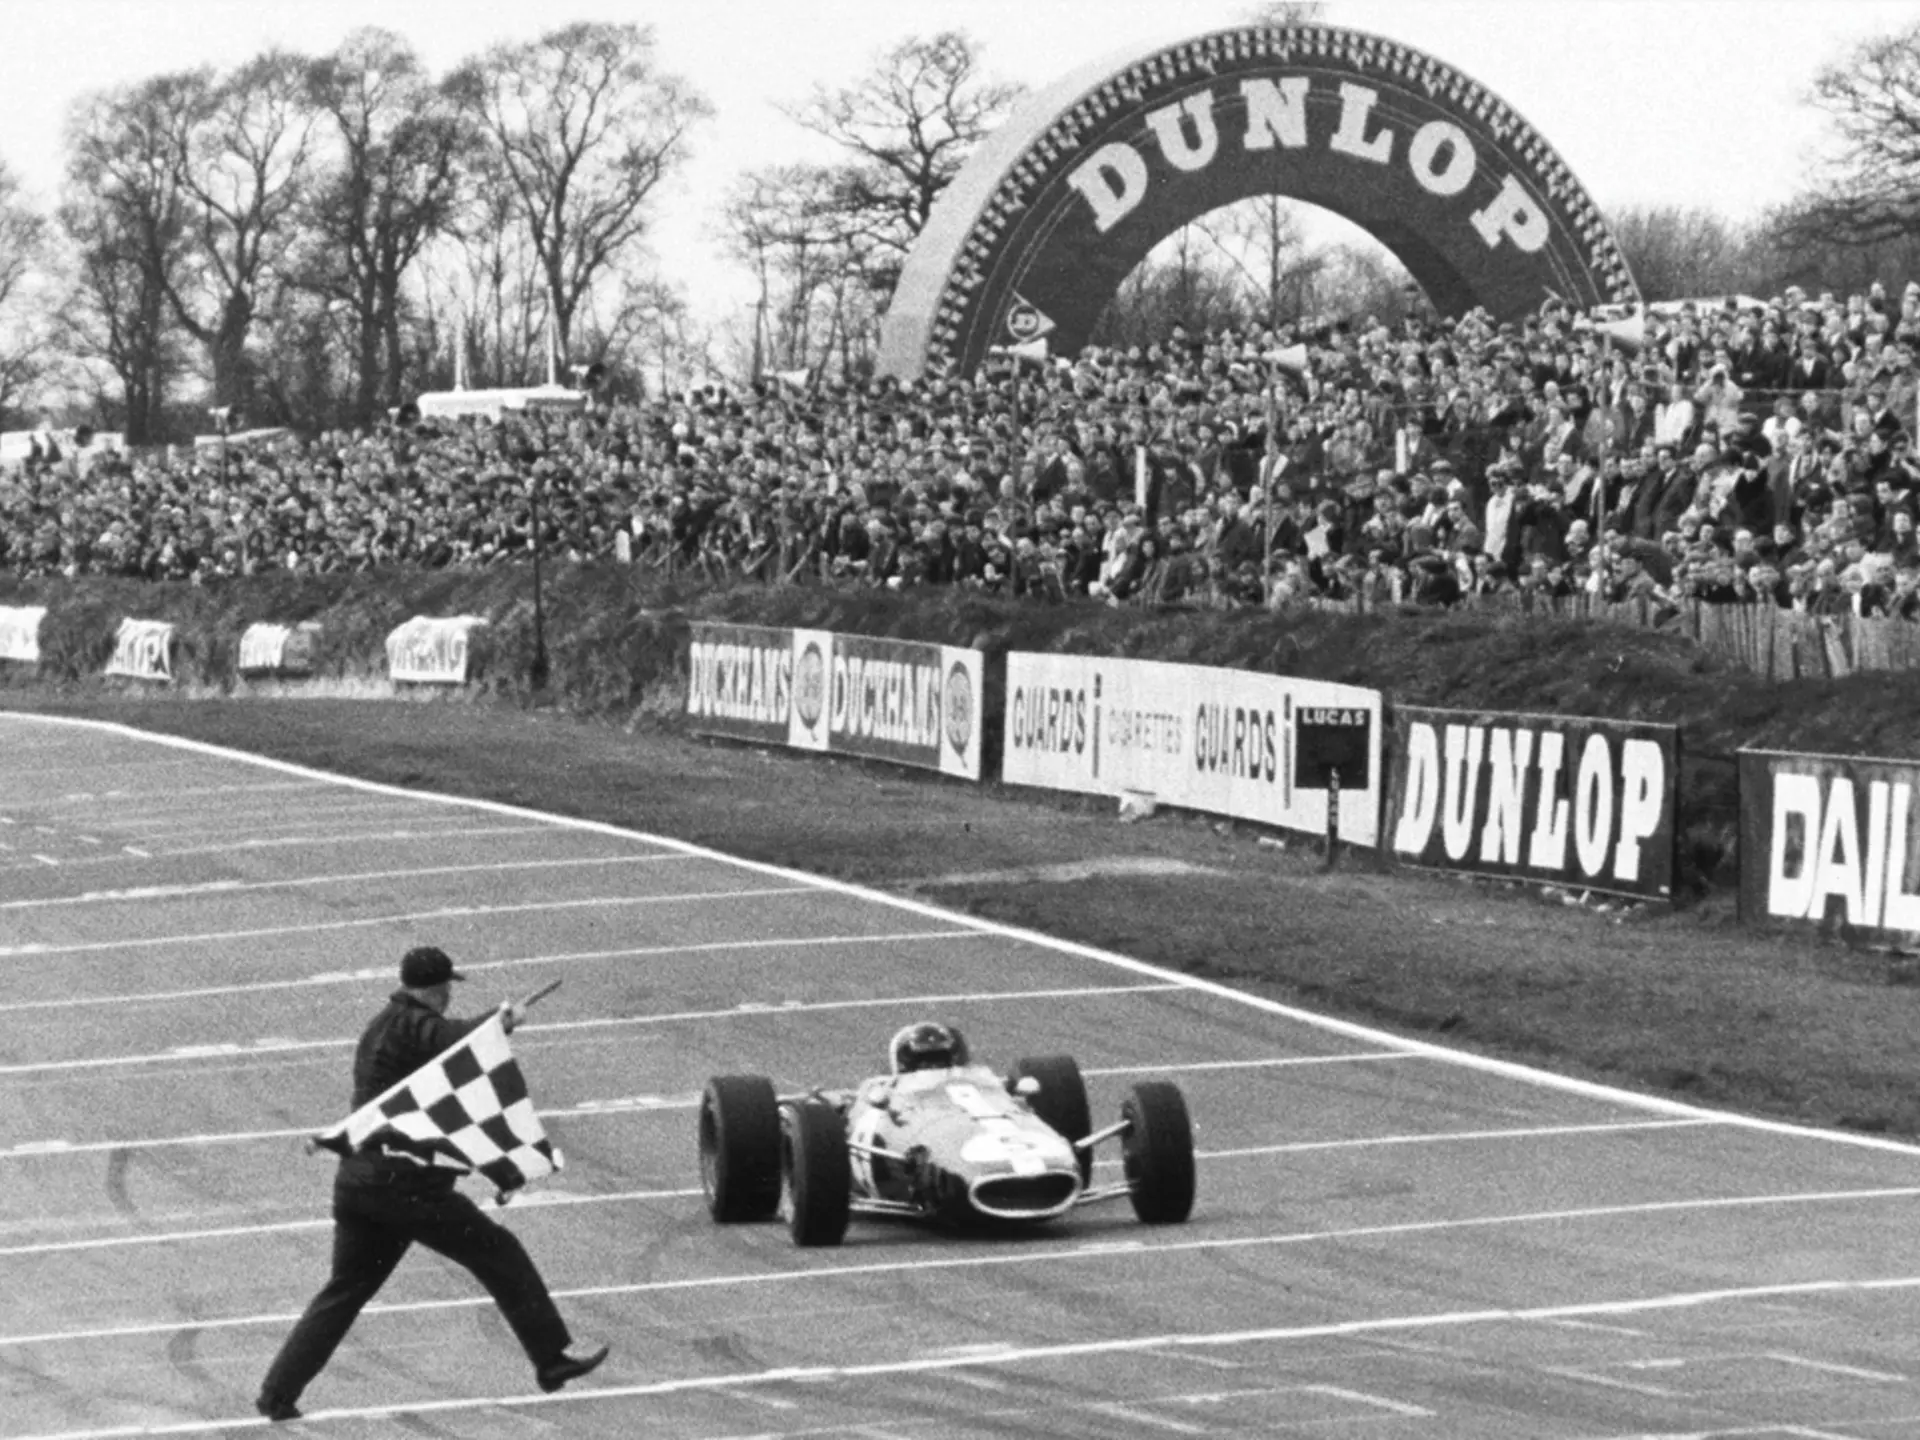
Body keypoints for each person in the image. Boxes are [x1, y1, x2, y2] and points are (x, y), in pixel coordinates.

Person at [255, 946, 607, 1421]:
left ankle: (277, 1394)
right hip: (404, 1187)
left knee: (345, 1289)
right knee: (498, 1251)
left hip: (359, 1182)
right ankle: (550, 1360)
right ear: (440, 988)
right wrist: (503, 1020)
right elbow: (460, 1045)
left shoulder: (380, 1027)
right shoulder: (415, 1026)